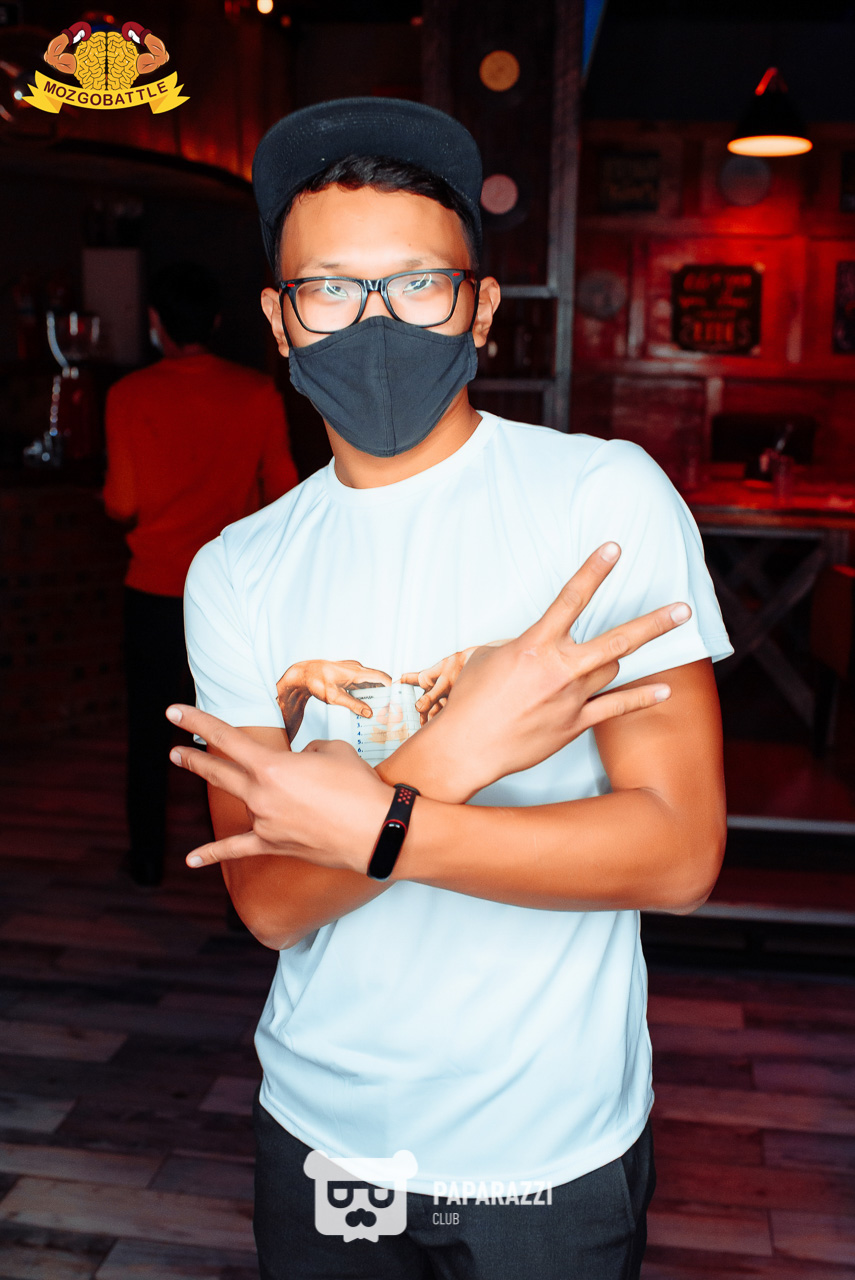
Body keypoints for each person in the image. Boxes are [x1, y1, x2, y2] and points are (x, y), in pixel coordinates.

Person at [171, 98, 734, 1279]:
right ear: (279, 320)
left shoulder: (600, 499)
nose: (376, 321)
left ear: (479, 307)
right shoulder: (234, 570)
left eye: (419, 284)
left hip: (553, 1142)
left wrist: (373, 822)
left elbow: (679, 852)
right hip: (323, 1125)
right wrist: (456, 750)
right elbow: (268, 901)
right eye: (331, 289)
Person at [102, 261, 298, 887]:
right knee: (238, 739)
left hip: (155, 590)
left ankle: (145, 862)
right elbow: (285, 493)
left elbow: (122, 502)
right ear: (214, 321)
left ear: (155, 322)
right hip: (233, 596)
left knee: (148, 730)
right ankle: (243, 886)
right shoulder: (256, 393)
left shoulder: (128, 395)